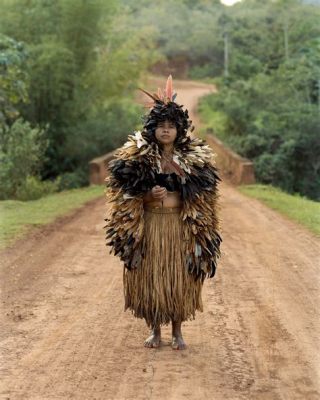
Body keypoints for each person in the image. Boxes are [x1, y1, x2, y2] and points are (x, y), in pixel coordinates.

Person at [104, 75, 222, 350]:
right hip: (151, 226)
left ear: (180, 129)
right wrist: (147, 196)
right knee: (152, 279)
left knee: (178, 279)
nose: (166, 131)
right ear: (152, 129)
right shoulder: (138, 158)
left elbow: (206, 198)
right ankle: (155, 331)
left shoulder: (195, 159)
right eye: (161, 126)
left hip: (178, 227)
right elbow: (123, 196)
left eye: (171, 126)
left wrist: (185, 197)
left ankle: (178, 331)